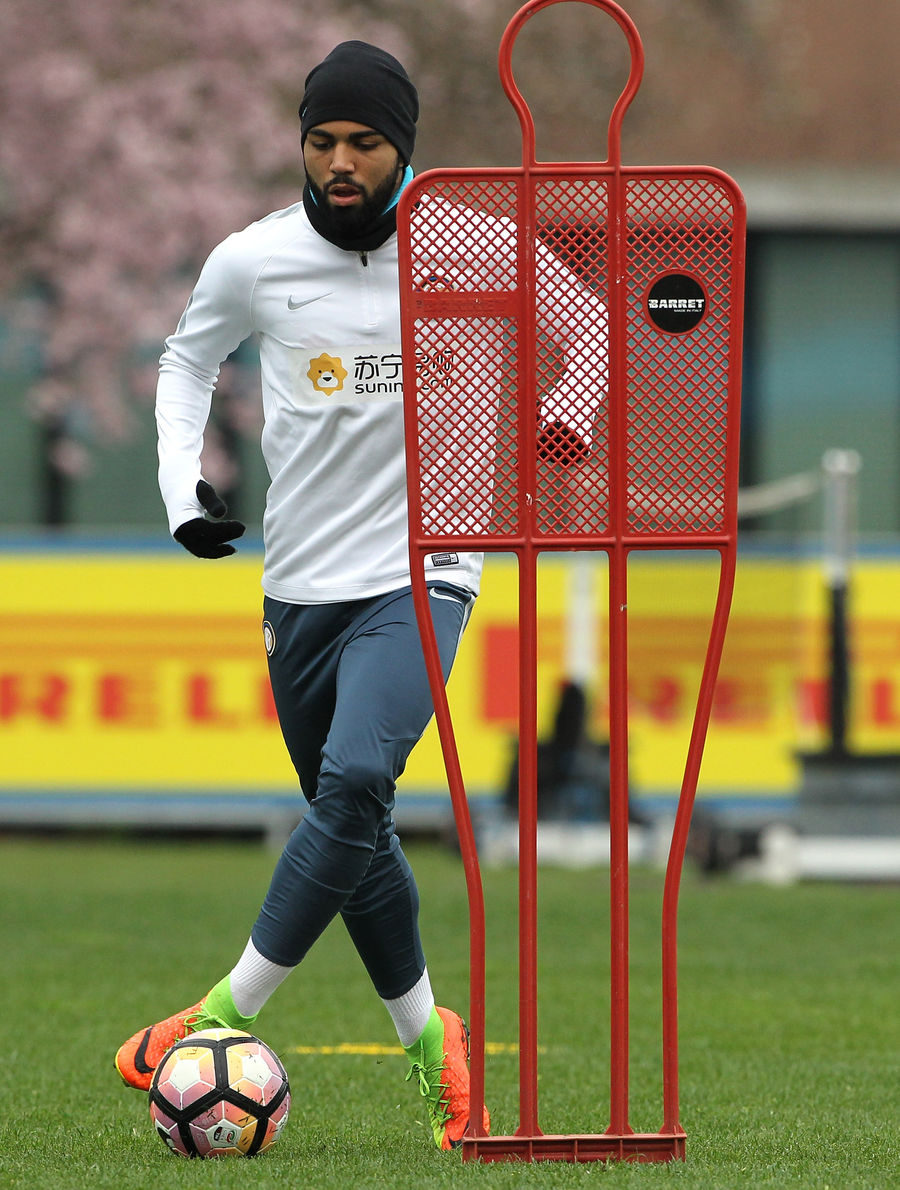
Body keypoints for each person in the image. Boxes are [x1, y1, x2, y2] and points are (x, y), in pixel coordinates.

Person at [114, 40, 490, 1152]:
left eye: (364, 143)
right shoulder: (253, 259)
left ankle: (217, 1013)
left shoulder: (466, 242)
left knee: (358, 776)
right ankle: (433, 1044)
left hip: (426, 569)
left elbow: (588, 332)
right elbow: (186, 363)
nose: (339, 162)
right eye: (321, 141)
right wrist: (182, 491)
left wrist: (561, 420)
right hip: (302, 589)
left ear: (402, 149)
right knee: (355, 826)